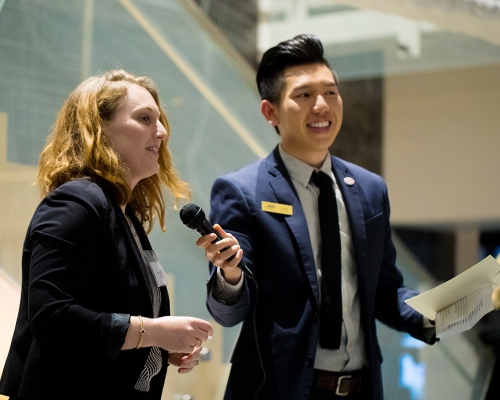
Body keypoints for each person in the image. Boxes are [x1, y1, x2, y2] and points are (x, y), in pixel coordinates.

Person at [195, 35, 436, 400]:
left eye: (331, 92)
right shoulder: (242, 190)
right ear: (270, 112)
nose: (322, 106)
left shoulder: (370, 189)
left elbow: (385, 291)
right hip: (280, 389)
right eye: (304, 95)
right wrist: (229, 274)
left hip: (361, 388)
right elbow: (229, 313)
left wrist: (445, 312)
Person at [0, 69, 213, 400]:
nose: (161, 132)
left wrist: (160, 346)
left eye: (160, 120)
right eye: (144, 118)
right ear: (98, 130)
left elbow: (109, 318)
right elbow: (51, 316)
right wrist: (153, 333)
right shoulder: (77, 202)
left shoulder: (122, 213)